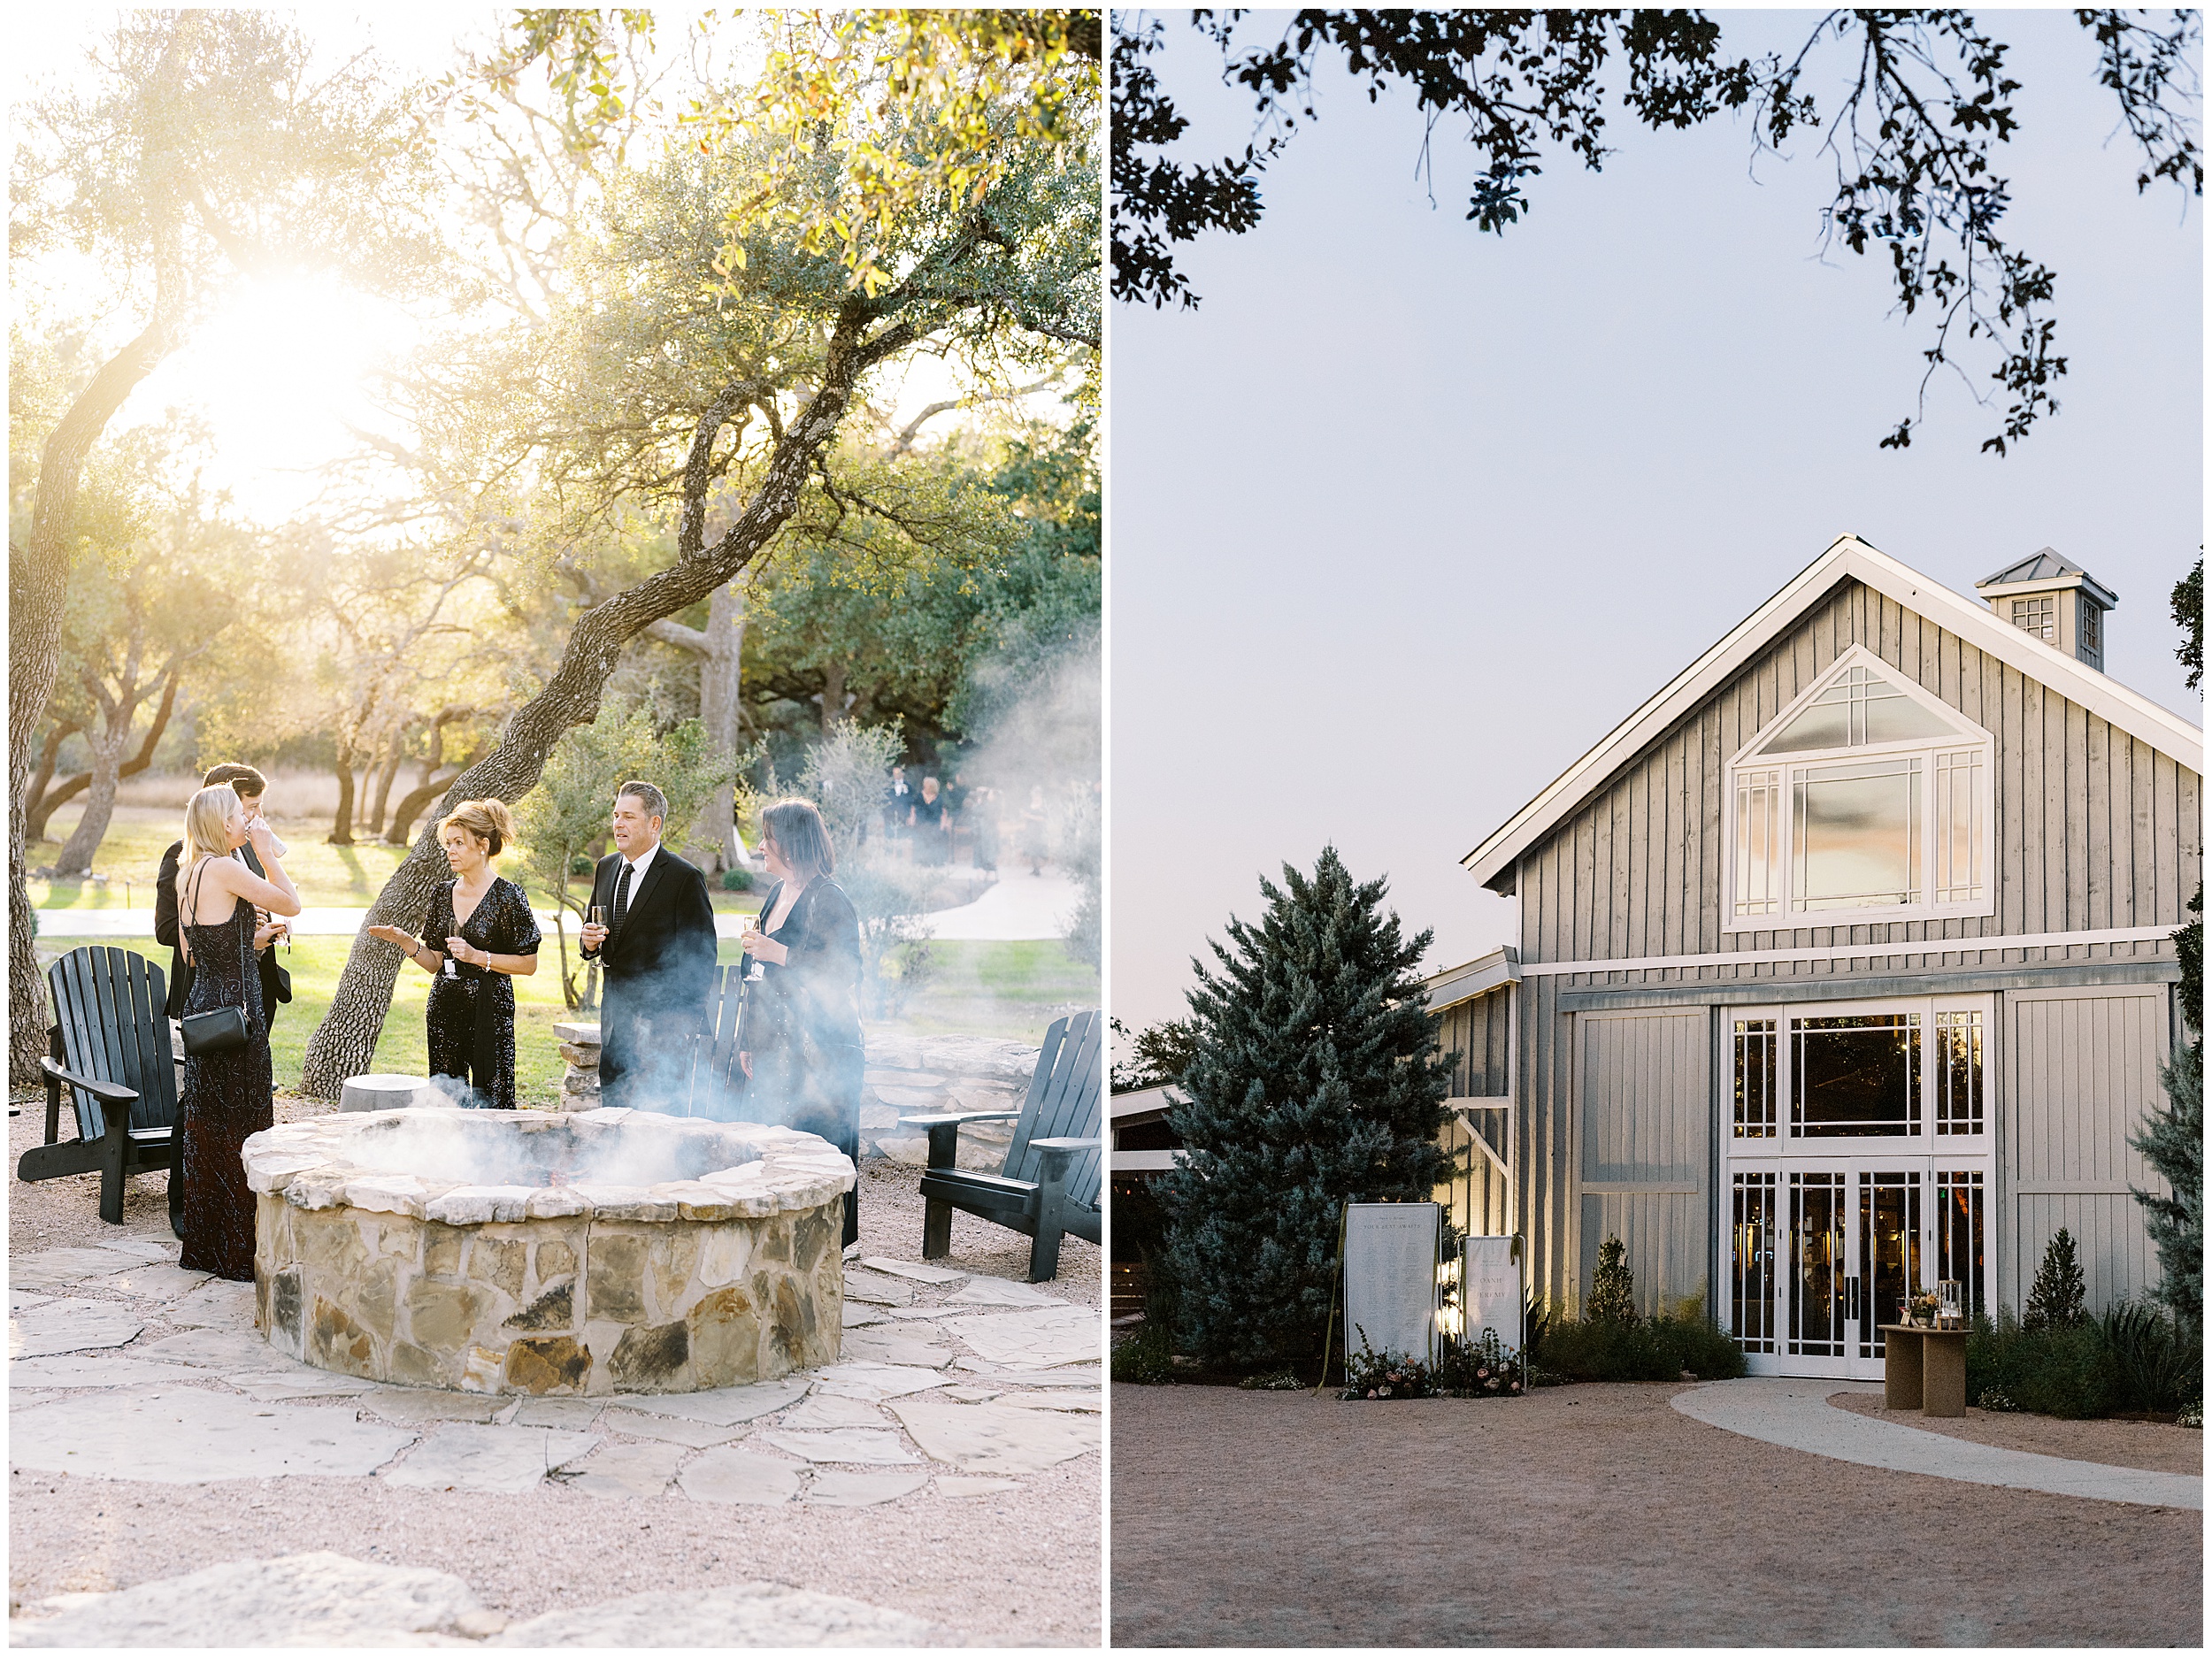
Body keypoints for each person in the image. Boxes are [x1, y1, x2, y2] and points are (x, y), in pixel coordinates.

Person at [153, 763, 293, 1236]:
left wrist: (251, 938)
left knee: (219, 1108)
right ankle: (217, 1221)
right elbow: (290, 901)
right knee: (225, 1109)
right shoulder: (208, 861)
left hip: (226, 994)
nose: (252, 819)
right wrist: (268, 855)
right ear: (223, 815)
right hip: (229, 1001)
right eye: (245, 810)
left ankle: (214, 1221)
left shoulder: (200, 868)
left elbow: (198, 947)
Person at [737, 799, 864, 1247]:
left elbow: (845, 971)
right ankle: (780, 1244)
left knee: (819, 1144)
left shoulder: (829, 898)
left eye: (767, 838)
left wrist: (781, 953)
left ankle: (824, 1248)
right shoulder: (777, 893)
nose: (760, 847)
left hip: (822, 1051)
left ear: (790, 844)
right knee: (776, 1141)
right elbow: (757, 977)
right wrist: (748, 1039)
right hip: (776, 1044)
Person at [368, 800, 541, 1109]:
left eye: (459, 843)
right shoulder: (442, 893)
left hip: (490, 1007)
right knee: (446, 1099)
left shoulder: (509, 896)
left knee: (494, 1099)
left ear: (483, 845)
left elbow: (528, 964)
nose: (451, 850)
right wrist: (407, 942)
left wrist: (477, 956)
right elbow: (435, 962)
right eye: (448, 843)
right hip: (445, 1006)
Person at [577, 781, 718, 1109]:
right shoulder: (606, 867)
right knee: (613, 1111)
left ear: (655, 823)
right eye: (616, 816)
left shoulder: (684, 878)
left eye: (628, 817)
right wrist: (588, 943)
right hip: (614, 1021)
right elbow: (592, 934)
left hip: (662, 1029)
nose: (618, 824)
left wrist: (683, 1027)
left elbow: (701, 959)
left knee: (656, 1118)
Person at [909, 774, 952, 867]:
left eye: (927, 785)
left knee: (934, 841)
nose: (925, 787)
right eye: (925, 785)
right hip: (921, 824)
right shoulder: (919, 796)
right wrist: (912, 821)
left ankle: (934, 862)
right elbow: (913, 809)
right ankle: (921, 862)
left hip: (934, 824)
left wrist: (942, 825)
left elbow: (944, 812)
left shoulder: (939, 798)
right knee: (921, 841)